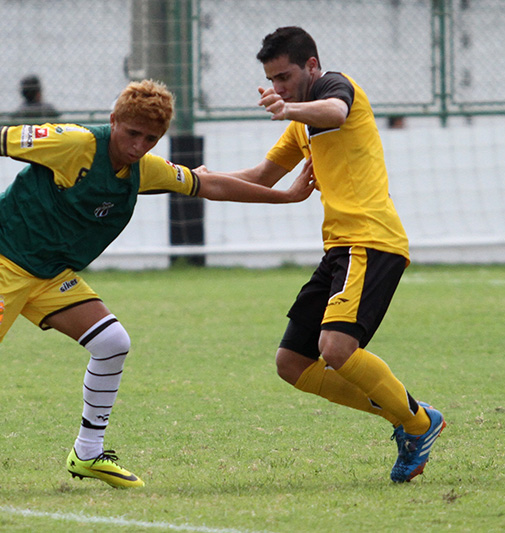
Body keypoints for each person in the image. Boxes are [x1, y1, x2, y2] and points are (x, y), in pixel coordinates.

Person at [0, 79, 316, 494]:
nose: (138, 146)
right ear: (114, 120)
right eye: (131, 133)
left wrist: (288, 196)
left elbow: (209, 184)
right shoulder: (74, 143)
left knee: (113, 342)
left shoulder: (144, 169)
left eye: (150, 139)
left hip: (47, 274)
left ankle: (87, 453)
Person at [196, 27, 445, 483]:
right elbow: (263, 176)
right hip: (339, 249)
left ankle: (415, 423)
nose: (278, 89)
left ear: (311, 65)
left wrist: (289, 107)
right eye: (272, 81)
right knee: (292, 363)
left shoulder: (335, 87)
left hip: (370, 240)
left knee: (336, 348)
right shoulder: (299, 122)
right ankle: (411, 415)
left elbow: (335, 110)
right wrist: (198, 182)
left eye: (285, 77)